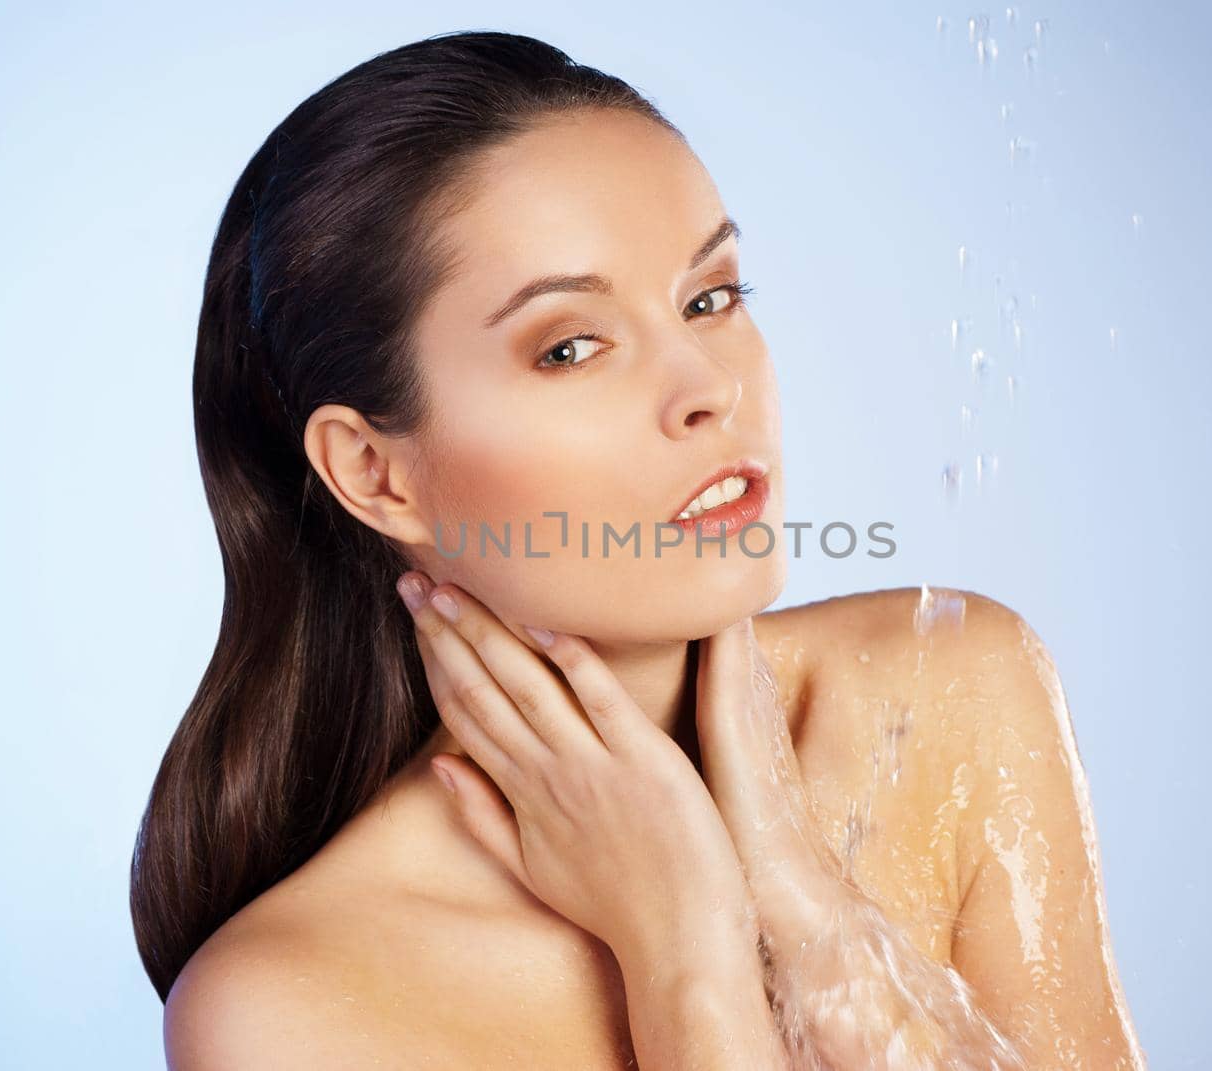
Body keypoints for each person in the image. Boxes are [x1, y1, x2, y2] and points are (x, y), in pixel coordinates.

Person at [131, 29, 1146, 1069]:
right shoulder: (291, 1004)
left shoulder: (943, 688)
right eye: (570, 347)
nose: (710, 385)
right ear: (372, 473)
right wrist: (683, 951)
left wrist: (809, 917)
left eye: (711, 298)